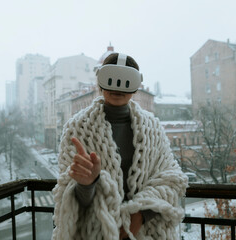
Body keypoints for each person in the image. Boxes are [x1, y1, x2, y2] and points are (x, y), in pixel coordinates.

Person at [52, 53, 187, 240]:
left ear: (136, 86)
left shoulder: (153, 129)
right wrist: (87, 184)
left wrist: (140, 216)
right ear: (99, 82)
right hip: (96, 233)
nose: (117, 87)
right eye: (110, 79)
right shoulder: (76, 129)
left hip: (146, 233)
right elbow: (68, 195)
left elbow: (172, 180)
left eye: (126, 81)